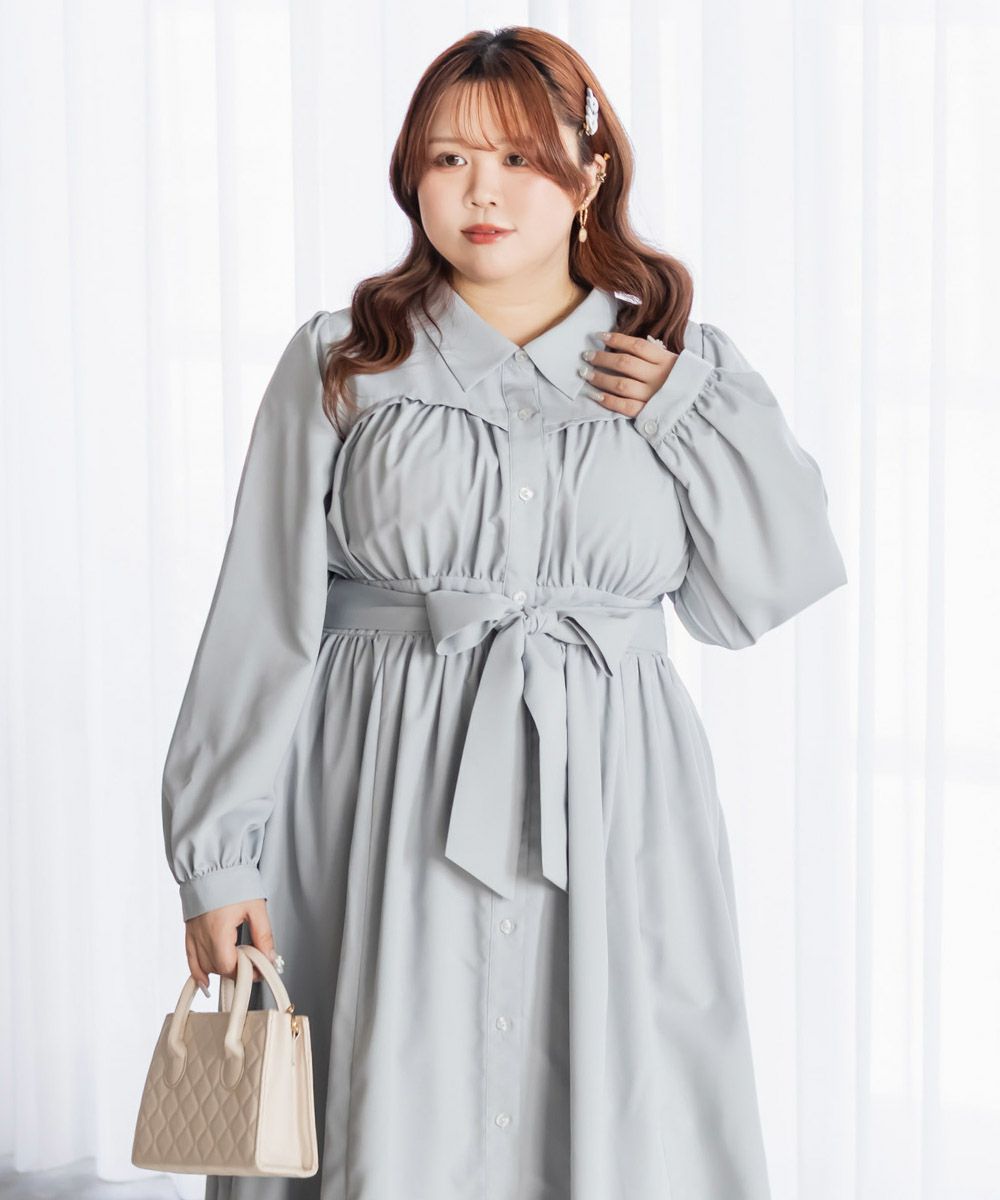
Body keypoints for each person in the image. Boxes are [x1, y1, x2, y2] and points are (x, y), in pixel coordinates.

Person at [161, 25, 847, 1200]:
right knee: (387, 1112)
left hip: (616, 813)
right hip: (378, 801)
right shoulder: (343, 361)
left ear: (588, 174)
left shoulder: (679, 366)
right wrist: (218, 857)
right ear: (411, 178)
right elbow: (259, 624)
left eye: (520, 159)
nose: (482, 192)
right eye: (448, 159)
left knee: (620, 1120)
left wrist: (686, 411)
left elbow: (766, 591)